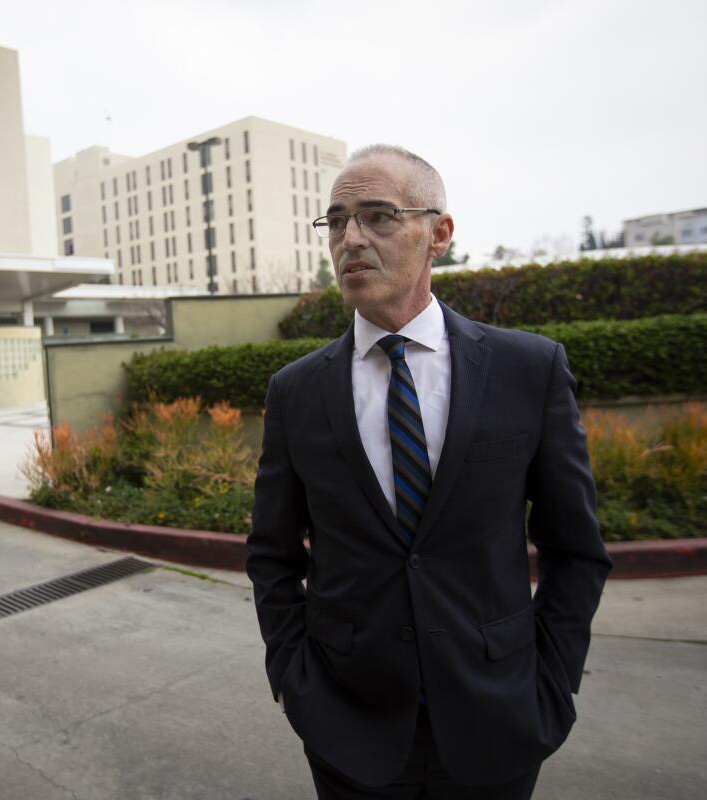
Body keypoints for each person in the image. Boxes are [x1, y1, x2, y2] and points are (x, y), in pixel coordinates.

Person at [246, 145, 612, 799]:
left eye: (378, 216)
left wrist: (550, 683)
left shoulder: (528, 370)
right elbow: (272, 557)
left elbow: (575, 551)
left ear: (439, 233)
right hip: (347, 728)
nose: (350, 238)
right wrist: (297, 682)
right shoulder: (296, 392)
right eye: (336, 221)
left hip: (498, 721)